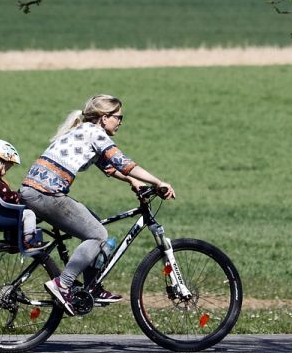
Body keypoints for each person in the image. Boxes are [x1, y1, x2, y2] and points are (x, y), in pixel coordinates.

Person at [20, 94, 176, 315]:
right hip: (45, 194)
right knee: (97, 235)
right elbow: (123, 162)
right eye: (118, 117)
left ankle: (92, 287)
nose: (120, 122)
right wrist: (158, 181)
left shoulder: (83, 130)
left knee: (96, 226)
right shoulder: (95, 133)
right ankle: (62, 284)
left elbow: (110, 167)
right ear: (104, 117)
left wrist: (133, 181)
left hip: (35, 191)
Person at [0, 139, 43, 251]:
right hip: (3, 214)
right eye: (7, 167)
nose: (6, 171)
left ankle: (16, 241)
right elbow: (7, 196)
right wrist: (17, 196)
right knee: (29, 215)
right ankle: (29, 241)